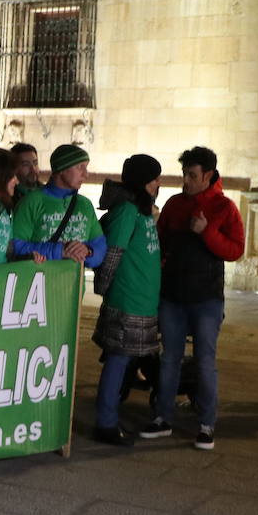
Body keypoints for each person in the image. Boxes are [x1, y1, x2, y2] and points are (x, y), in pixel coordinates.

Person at [139, 146, 244, 450]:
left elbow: (235, 250)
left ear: (208, 176)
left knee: (205, 361)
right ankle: (162, 418)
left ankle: (207, 424)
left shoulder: (224, 208)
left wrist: (206, 232)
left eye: (192, 175)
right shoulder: (174, 205)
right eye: (185, 174)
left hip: (206, 299)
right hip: (172, 297)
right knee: (169, 359)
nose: (186, 180)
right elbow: (159, 242)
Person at [92, 155, 163, 447]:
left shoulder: (145, 213)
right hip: (127, 300)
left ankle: (112, 413)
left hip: (143, 301)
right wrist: (104, 289)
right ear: (142, 182)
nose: (159, 184)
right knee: (119, 361)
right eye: (155, 179)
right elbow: (113, 254)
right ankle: (105, 422)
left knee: (127, 362)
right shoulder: (126, 211)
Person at [10, 143, 106, 271]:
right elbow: (14, 246)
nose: (85, 174)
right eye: (80, 167)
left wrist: (88, 251)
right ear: (61, 169)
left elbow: (100, 245)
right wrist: (60, 251)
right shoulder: (31, 202)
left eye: (86, 167)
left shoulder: (85, 204)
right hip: (36, 286)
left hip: (73, 288)